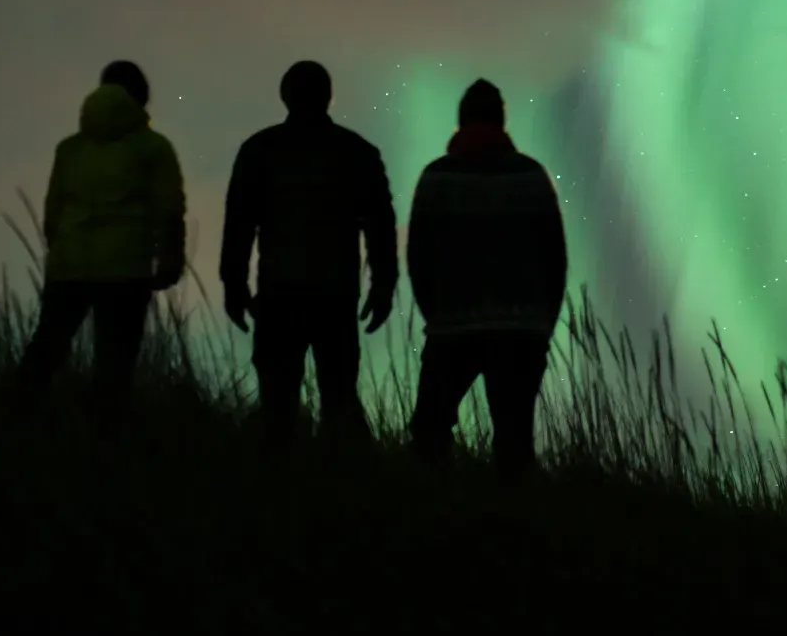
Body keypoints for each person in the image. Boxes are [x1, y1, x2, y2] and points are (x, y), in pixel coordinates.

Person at [220, 60, 396, 440]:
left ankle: (282, 486)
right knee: (339, 397)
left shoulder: (259, 149)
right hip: (336, 294)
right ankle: (339, 485)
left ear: (284, 96)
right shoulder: (357, 151)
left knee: (277, 403)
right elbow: (380, 225)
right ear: (328, 97)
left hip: (279, 293)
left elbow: (239, 224)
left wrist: (233, 285)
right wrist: (383, 284)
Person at [406, 79, 567, 473]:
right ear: (502, 121)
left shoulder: (436, 178)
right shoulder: (531, 176)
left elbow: (418, 257)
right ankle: (515, 526)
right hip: (520, 331)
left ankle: (436, 521)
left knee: (429, 431)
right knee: (514, 442)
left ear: (461, 122)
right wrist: (542, 324)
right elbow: (555, 257)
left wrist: (437, 315)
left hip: (452, 328)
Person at [18, 59, 186, 398]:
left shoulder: (70, 149)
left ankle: (13, 418)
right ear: (140, 97)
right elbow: (169, 208)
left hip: (69, 265)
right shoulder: (153, 147)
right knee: (115, 362)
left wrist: (60, 251)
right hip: (125, 269)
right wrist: (171, 260)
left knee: (47, 348)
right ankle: (105, 439)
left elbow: (53, 211)